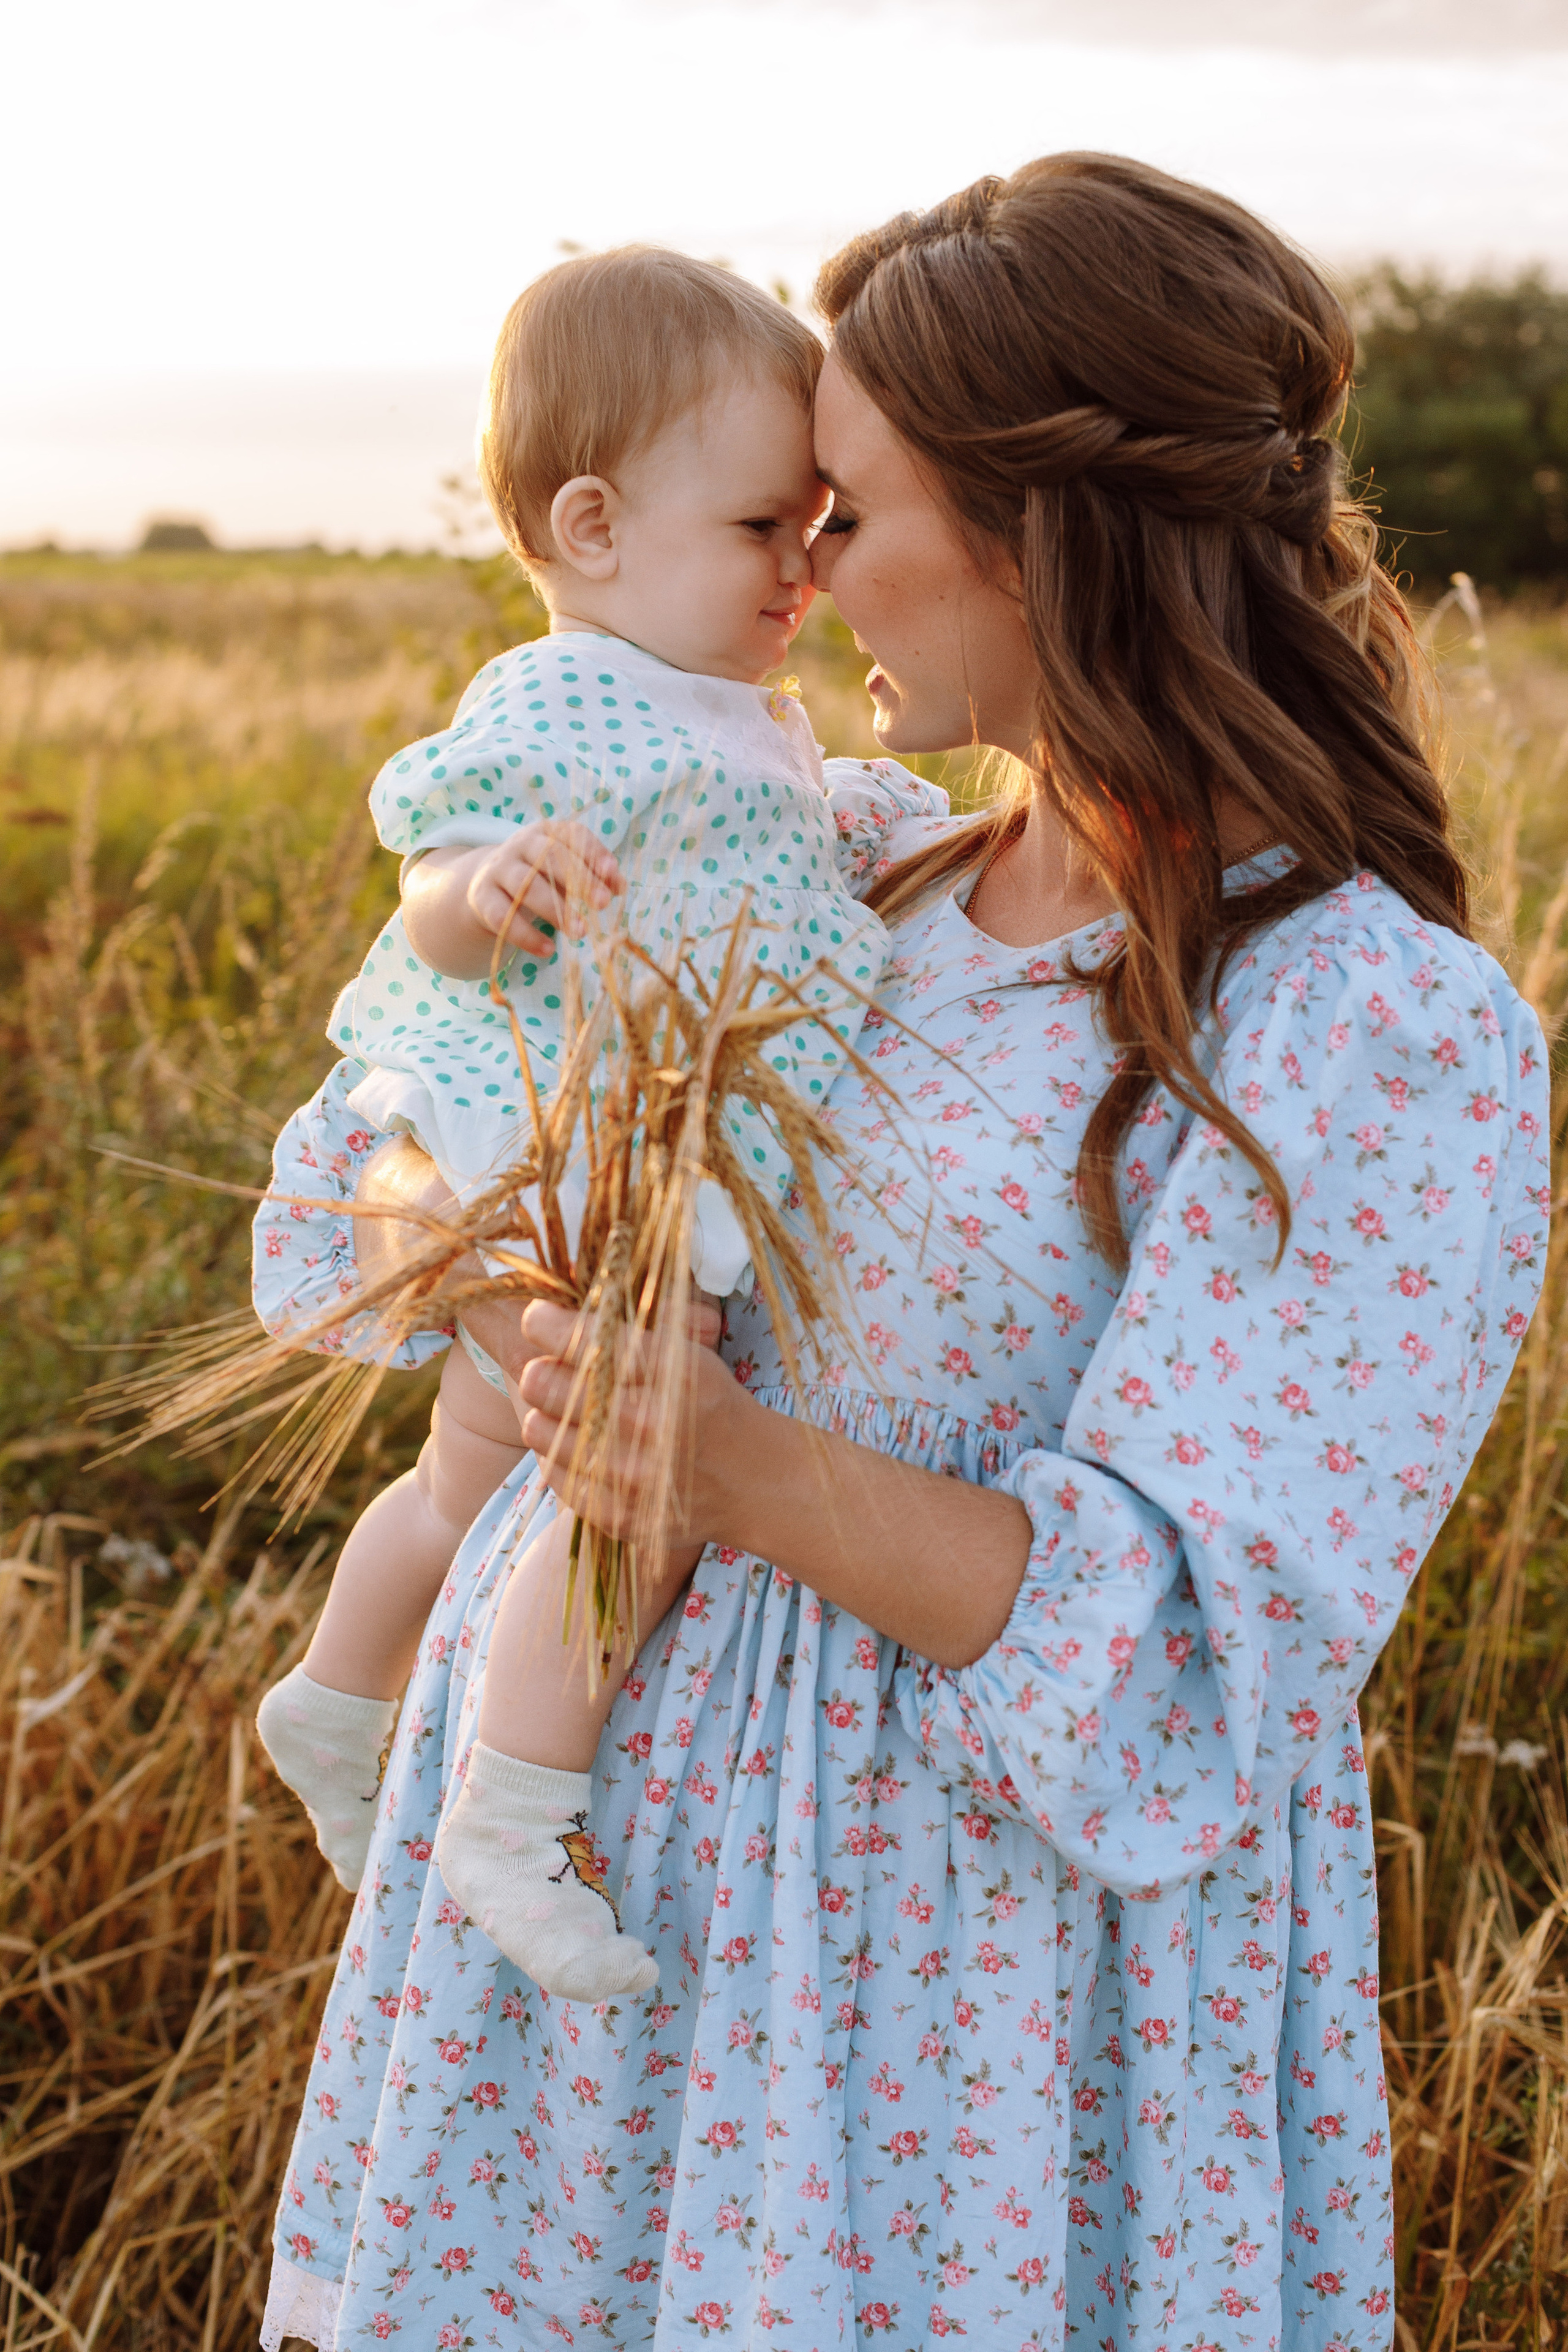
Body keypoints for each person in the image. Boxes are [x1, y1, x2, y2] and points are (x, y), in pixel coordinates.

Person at [259, 157, 1550, 2352]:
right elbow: (380, 1148)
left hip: (952, 2025)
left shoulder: (1363, 1024)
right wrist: (514, 1294)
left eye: (838, 506)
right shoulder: (847, 869)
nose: (803, 571)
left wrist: (739, 1470)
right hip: (599, 1976)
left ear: (1049, 531)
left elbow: (1195, 1666)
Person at [250, 246, 943, 2003]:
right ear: (594, 524)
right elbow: (422, 889)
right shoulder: (564, 699)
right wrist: (495, 885)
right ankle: (519, 1809)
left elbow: (759, 872)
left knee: (474, 1471)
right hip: (593, 1161)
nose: (805, 570)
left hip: (651, 1146)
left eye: (817, 530)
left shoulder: (745, 711)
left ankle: (336, 1700)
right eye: (763, 531)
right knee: (629, 1469)